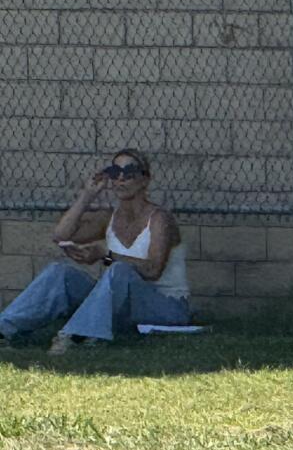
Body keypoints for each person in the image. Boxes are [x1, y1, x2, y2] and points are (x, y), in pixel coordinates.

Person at [0, 149, 189, 354]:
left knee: (119, 270)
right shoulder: (109, 217)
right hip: (121, 306)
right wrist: (87, 195)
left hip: (166, 307)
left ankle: (77, 337)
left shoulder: (160, 218)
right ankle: (4, 330)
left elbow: (152, 270)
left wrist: (107, 254)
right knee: (60, 272)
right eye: (115, 172)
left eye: (129, 172)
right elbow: (61, 235)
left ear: (145, 180)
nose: (121, 178)